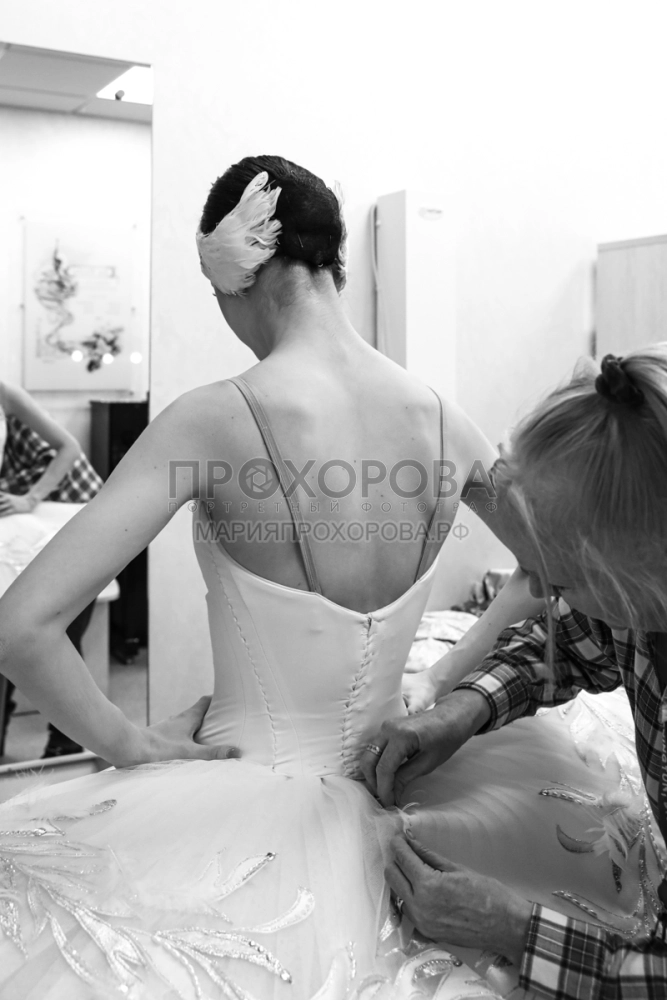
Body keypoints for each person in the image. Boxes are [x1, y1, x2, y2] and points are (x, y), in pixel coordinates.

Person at [0, 155, 538, 999]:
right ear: (333, 263)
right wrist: (444, 679)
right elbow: (551, 570)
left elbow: (20, 628)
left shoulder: (213, 420)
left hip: (247, 816)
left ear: (235, 275)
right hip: (409, 793)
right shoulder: (444, 418)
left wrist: (131, 745)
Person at [363, 347, 667, 997]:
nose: (539, 594)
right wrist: (462, 709)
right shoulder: (639, 603)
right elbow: (573, 643)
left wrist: (518, 931)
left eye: (557, 580)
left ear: (637, 564)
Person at [0, 381, 102, 757]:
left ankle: (66, 744)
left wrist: (30, 498)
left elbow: (69, 447)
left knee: (61, 636)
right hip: (24, 529)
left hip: (66, 513)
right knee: (11, 632)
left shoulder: (4, 392)